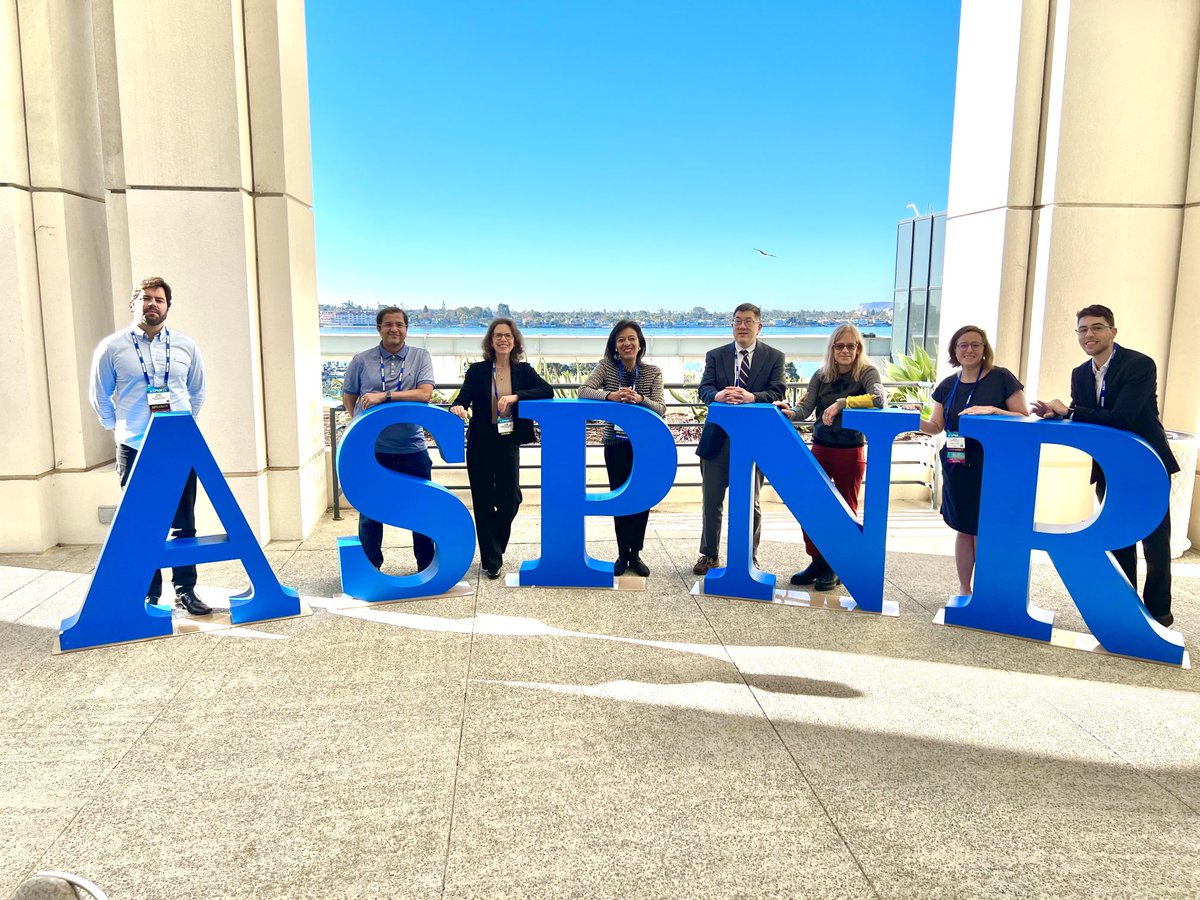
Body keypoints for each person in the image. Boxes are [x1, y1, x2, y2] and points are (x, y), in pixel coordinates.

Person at [1031, 304, 1179, 627]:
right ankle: (1124, 612)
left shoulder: (1140, 365)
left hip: (1146, 466)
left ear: (1113, 331)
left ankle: (1158, 616)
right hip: (1108, 469)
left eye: (1097, 328)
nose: (1089, 335)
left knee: (1155, 545)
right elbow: (1089, 425)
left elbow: (1121, 418)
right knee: (1118, 541)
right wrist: (1059, 416)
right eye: (1083, 330)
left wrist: (1070, 411)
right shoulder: (1079, 374)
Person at [88, 276, 211, 615]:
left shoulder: (186, 345)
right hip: (135, 446)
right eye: (146, 298)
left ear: (168, 306)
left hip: (178, 447)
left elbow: (197, 390)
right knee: (141, 522)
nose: (152, 304)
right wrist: (120, 428)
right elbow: (100, 396)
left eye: (159, 299)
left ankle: (186, 591)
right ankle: (148, 594)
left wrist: (181, 426)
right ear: (134, 303)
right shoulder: (113, 347)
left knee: (184, 523)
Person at [774, 324, 885, 591]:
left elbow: (879, 399)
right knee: (810, 505)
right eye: (840, 345)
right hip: (821, 448)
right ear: (832, 349)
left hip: (850, 451)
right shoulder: (821, 375)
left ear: (859, 348)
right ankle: (818, 561)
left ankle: (836, 565)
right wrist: (790, 412)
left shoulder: (867, 372)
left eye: (851, 345)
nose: (846, 350)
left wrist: (842, 403)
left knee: (845, 509)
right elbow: (806, 408)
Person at [921, 325, 1028, 597]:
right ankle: (965, 588)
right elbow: (936, 427)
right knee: (964, 527)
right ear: (954, 351)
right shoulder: (948, 385)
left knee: (985, 529)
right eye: (963, 345)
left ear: (984, 349)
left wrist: (994, 410)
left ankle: (986, 590)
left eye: (975, 345)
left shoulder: (1001, 378)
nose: (969, 350)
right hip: (958, 465)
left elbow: (1023, 416)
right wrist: (908, 419)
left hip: (991, 465)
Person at [450, 318, 553, 579]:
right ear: (491, 341)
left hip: (508, 440)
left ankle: (493, 545)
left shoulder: (524, 371)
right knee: (483, 501)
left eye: (507, 335)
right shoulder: (478, 371)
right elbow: (462, 398)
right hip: (481, 441)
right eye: (498, 336)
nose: (503, 340)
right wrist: (458, 407)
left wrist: (517, 397)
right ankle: (492, 561)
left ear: (514, 341)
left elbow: (547, 390)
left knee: (510, 501)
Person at [693, 303, 787, 575]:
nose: (742, 326)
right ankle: (709, 555)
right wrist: (718, 395)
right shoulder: (715, 355)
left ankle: (748, 556)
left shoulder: (774, 357)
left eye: (748, 321)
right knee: (711, 501)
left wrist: (752, 397)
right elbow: (704, 389)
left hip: (753, 442)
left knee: (751, 503)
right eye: (737, 321)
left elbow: (778, 391)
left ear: (759, 326)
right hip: (717, 440)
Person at [341, 307, 437, 572]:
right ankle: (372, 568)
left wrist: (385, 396)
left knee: (420, 510)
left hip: (411, 448)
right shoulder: (362, 360)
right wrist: (364, 426)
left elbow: (425, 394)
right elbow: (349, 396)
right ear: (378, 328)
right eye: (388, 325)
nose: (394, 329)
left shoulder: (420, 357)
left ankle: (427, 567)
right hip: (372, 450)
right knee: (369, 513)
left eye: (399, 325)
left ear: (407, 328)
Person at [578, 320, 666, 577]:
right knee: (618, 498)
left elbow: (661, 408)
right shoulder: (606, 367)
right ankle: (621, 554)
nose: (627, 344)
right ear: (614, 346)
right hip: (615, 445)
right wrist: (609, 396)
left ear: (640, 344)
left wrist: (641, 400)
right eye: (621, 340)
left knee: (642, 499)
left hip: (644, 446)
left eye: (631, 339)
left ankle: (635, 554)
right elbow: (583, 390)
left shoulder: (652, 372)